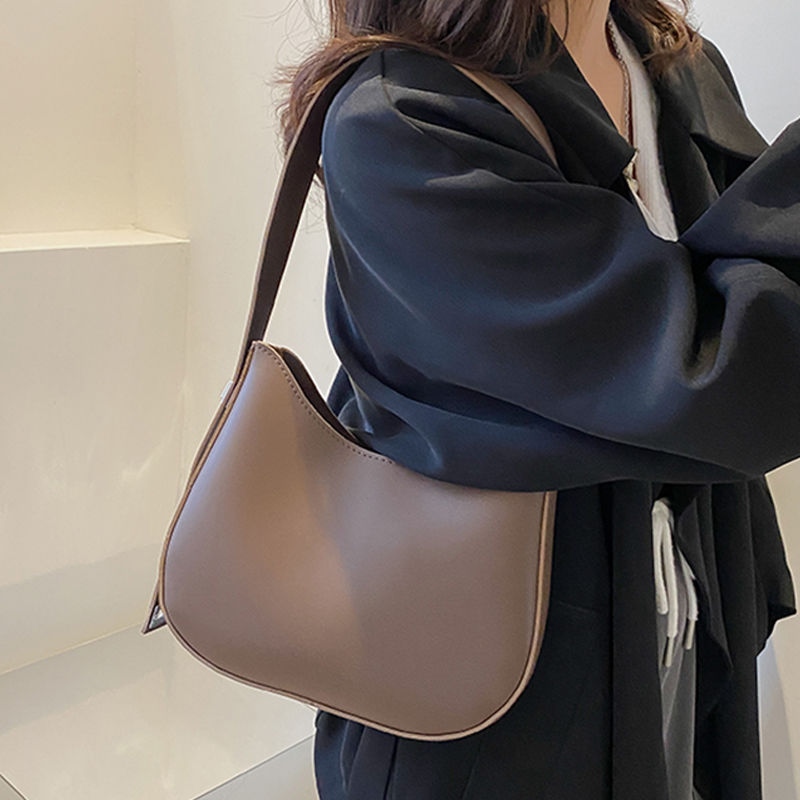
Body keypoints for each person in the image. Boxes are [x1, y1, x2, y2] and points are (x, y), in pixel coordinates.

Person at [274, 0, 799, 797]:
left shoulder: (672, 63)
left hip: (682, 627)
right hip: (492, 703)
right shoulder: (406, 117)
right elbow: (726, 375)